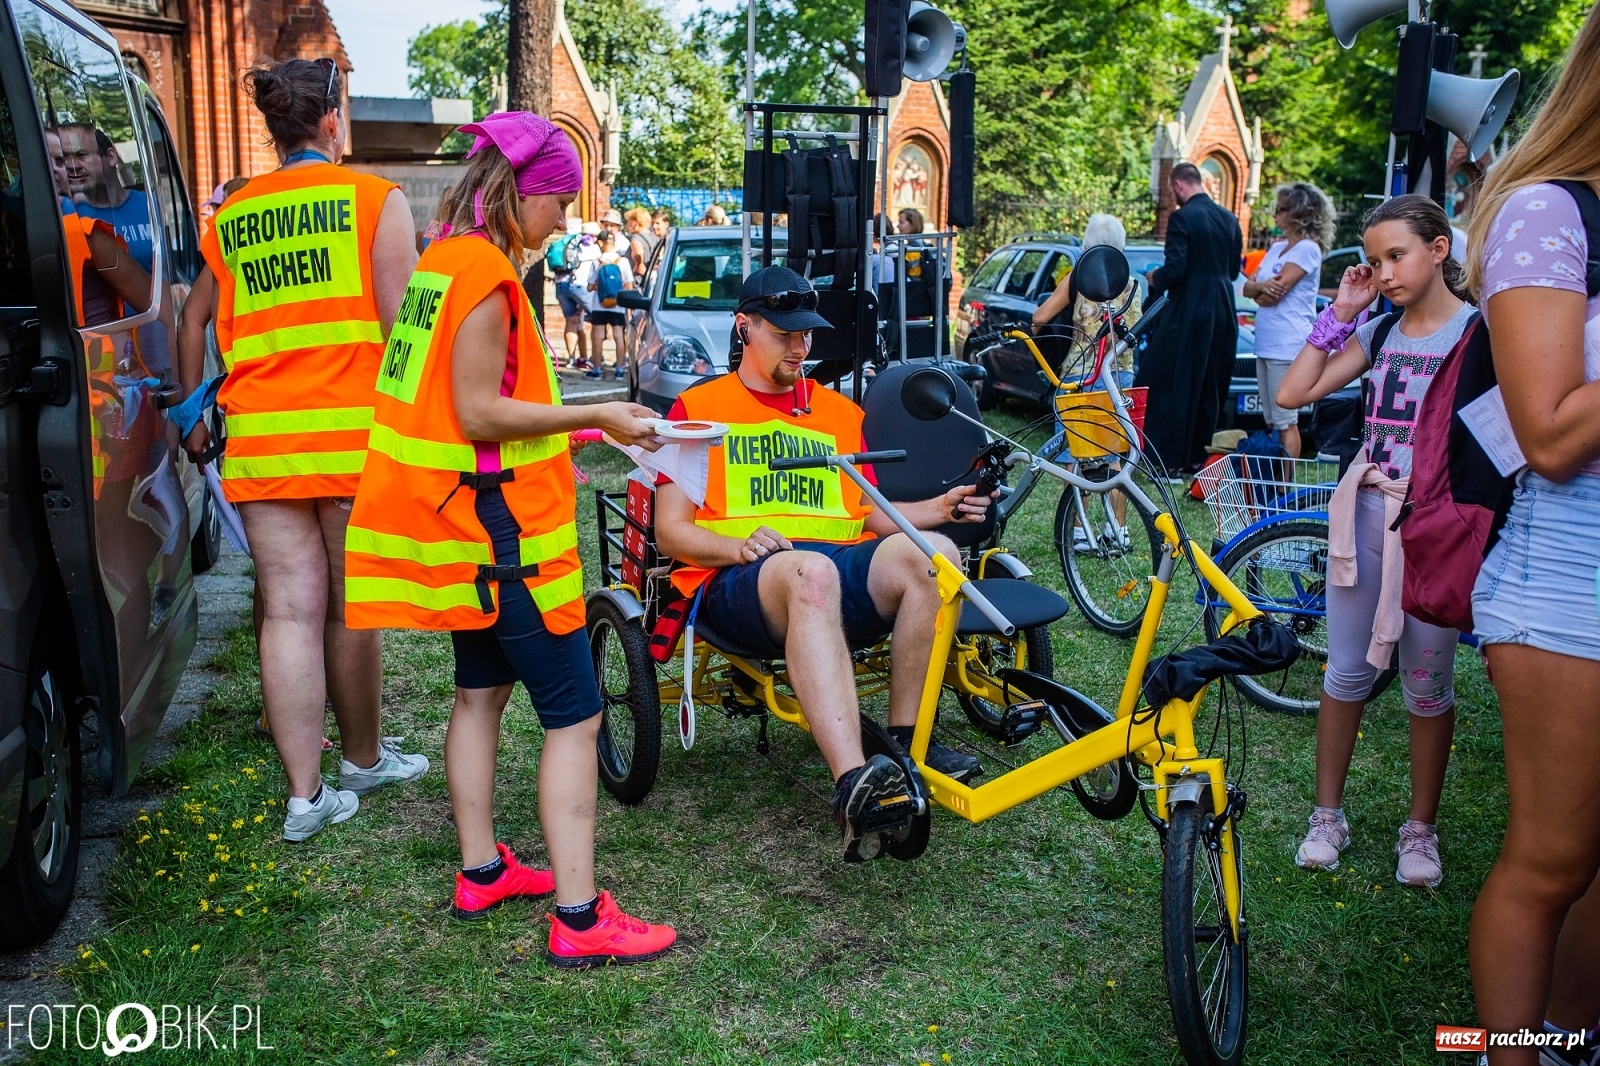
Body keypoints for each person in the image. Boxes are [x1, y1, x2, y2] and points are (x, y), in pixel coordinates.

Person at [344, 111, 675, 966]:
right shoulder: (486, 272)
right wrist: (598, 412)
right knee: (575, 716)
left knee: (479, 696)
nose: (562, 222)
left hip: (466, 529)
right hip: (507, 539)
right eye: (558, 202)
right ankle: (578, 916)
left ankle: (483, 868)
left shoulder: (440, 263)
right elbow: (477, 410)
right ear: (521, 192)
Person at [653, 265, 996, 861]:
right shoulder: (698, 408)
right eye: (783, 332)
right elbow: (670, 531)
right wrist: (738, 547)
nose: (799, 345)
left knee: (935, 556)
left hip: (834, 566)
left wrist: (937, 508)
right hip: (739, 579)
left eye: (806, 334)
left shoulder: (839, 412)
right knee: (810, 570)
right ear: (744, 327)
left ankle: (905, 748)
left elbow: (864, 514)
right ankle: (852, 782)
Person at [176, 57, 429, 842]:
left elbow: (193, 321)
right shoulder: (373, 200)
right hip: (353, 441)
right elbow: (406, 331)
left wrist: (192, 415)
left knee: (286, 610)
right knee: (351, 606)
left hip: (262, 441)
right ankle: (362, 758)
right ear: (332, 121)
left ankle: (305, 795)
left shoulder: (235, 215)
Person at [1463, 7, 1600, 1059]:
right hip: (1569, 588)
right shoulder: (1548, 213)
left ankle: (1568, 1036)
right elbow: (1549, 437)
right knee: (1551, 860)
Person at [1276, 194, 1474, 890]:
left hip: (1432, 530)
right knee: (1346, 672)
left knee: (1427, 682)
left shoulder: (1478, 335)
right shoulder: (1382, 331)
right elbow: (1294, 393)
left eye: (1399, 255)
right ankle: (1327, 815)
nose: (1385, 272)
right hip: (1364, 519)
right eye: (1376, 259)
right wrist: (1341, 314)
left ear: (1439, 249)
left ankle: (1420, 828)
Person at [1137, 161, 1243, 477]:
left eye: (1173, 190)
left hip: (1190, 310)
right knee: (1210, 384)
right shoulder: (1230, 218)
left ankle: (1168, 459)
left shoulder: (1182, 218)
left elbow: (1176, 270)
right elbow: (1234, 271)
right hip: (1223, 309)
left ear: (1179, 185)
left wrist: (1155, 277)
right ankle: (1199, 457)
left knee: (1171, 381)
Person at [1242, 182, 1335, 457]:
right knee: (1271, 420)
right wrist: (1259, 288)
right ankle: (1273, 481)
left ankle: (1285, 489)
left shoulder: (1307, 249)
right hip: (1266, 342)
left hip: (1287, 343)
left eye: (1280, 209)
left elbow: (1272, 296)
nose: (1274, 215)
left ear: (1298, 214)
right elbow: (1249, 289)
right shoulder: (1277, 248)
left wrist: (1259, 289)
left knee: (1286, 422)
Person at [1032, 212, 1142, 390]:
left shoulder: (1077, 280)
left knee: (1074, 419)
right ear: (1121, 247)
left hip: (1080, 374)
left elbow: (1039, 318)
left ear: (1086, 247)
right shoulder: (1133, 285)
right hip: (1122, 377)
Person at [57, 122, 154, 274]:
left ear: (110, 157)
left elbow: (168, 273)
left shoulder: (149, 205)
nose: (70, 165)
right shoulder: (67, 215)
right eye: (63, 159)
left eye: (81, 155)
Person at [583, 229, 635, 380]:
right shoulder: (623, 261)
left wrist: (598, 286)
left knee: (598, 336)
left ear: (600, 242)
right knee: (619, 336)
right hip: (618, 305)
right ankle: (619, 370)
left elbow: (589, 286)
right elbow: (629, 285)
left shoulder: (597, 262)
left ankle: (597, 370)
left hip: (600, 304)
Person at [623, 206, 656, 275]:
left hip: (637, 279)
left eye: (629, 222)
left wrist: (639, 264)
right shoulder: (654, 237)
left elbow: (638, 252)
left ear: (636, 222)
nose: (627, 226)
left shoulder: (636, 237)